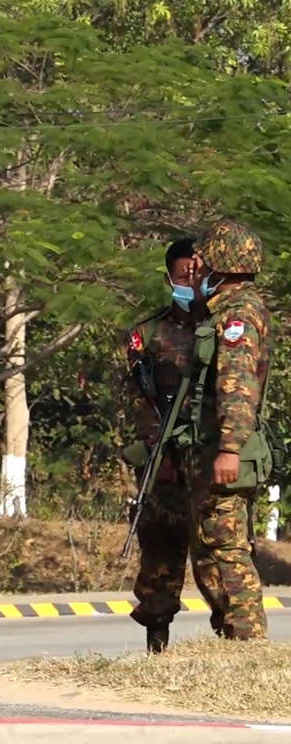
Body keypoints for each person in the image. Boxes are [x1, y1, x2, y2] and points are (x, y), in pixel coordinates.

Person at [184, 220, 272, 640]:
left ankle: (248, 639)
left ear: (221, 262)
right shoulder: (222, 310)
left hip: (228, 450)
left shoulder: (238, 315)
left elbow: (237, 386)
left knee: (227, 548)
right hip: (212, 448)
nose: (194, 267)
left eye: (202, 259)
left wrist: (230, 448)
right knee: (208, 550)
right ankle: (230, 632)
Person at [122, 238, 197, 653]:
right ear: (170, 276)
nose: (191, 281)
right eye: (183, 274)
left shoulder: (224, 327)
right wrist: (158, 448)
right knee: (160, 548)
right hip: (164, 455)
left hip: (208, 454)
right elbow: (138, 398)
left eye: (197, 274)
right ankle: (157, 640)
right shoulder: (148, 332)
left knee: (219, 552)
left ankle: (235, 639)